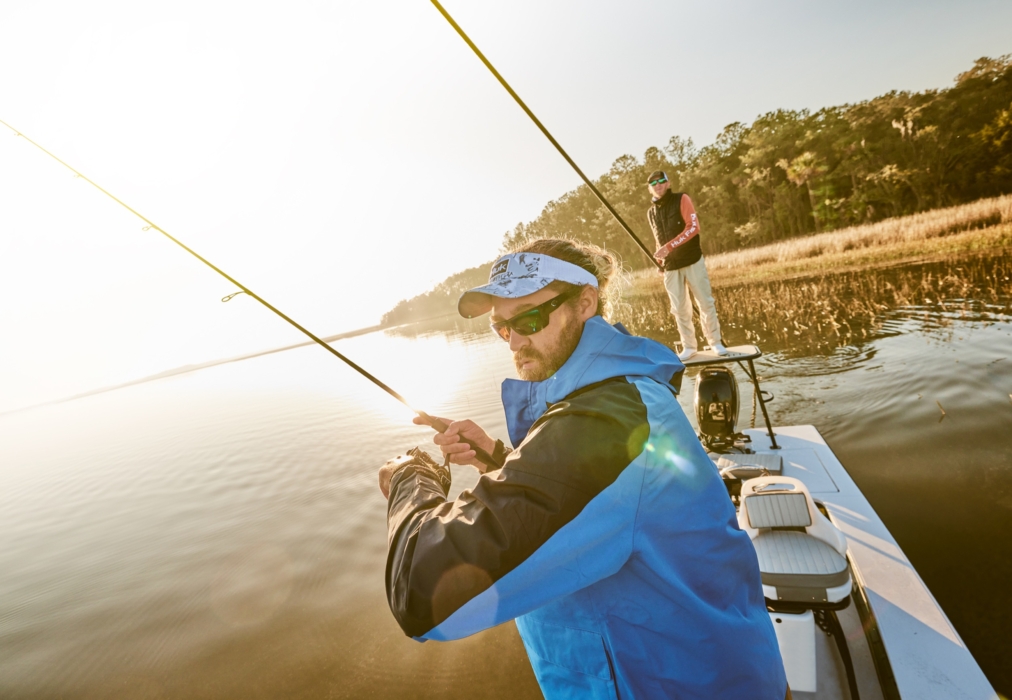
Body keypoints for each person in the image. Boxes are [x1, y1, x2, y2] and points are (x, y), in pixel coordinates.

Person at [377, 238, 787, 699]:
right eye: (500, 328)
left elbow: (417, 590)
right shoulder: (619, 395)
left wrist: (412, 479)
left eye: (528, 318)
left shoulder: (604, 422)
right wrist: (498, 458)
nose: (514, 340)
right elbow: (591, 500)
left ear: (585, 303)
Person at [646, 170, 728, 361]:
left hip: (692, 260)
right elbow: (658, 239)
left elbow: (693, 228)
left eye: (661, 181)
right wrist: (660, 262)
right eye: (653, 183)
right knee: (679, 308)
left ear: (667, 183)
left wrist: (669, 246)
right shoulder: (651, 212)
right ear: (650, 188)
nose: (658, 185)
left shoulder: (682, 199)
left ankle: (715, 342)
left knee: (705, 302)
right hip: (670, 266)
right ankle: (689, 346)